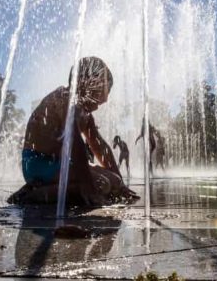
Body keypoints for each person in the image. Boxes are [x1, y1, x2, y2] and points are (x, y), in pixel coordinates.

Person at [7, 57, 137, 206]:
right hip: (38, 162)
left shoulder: (86, 114)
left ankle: (47, 187)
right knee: (101, 185)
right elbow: (75, 142)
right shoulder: (65, 100)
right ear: (88, 83)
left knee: (113, 182)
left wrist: (121, 185)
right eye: (105, 89)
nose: (106, 98)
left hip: (61, 163)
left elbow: (100, 147)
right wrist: (87, 186)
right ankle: (33, 195)